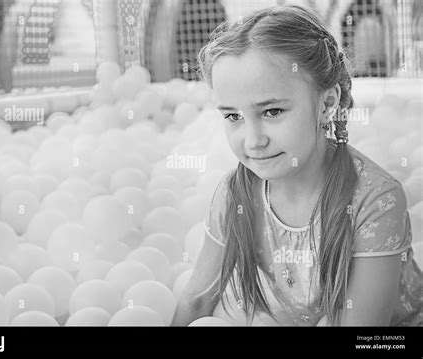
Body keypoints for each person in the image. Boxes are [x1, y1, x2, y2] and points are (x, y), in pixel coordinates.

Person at [171, 4, 422, 326]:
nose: (253, 141)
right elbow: (197, 299)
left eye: (272, 112)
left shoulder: (374, 199)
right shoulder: (236, 195)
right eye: (233, 116)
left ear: (327, 104)